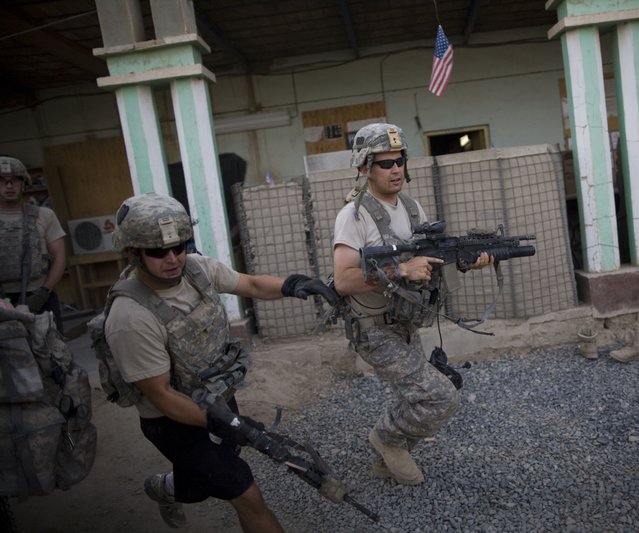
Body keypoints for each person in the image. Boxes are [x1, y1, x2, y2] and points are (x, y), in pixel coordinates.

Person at [104, 192, 337, 532]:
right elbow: (162, 396)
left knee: (202, 484)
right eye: (157, 251)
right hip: (173, 422)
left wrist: (294, 284)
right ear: (132, 252)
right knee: (246, 493)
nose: (172, 259)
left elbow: (251, 283)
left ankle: (163, 488)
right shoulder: (130, 317)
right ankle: (181, 482)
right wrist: (230, 424)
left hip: (218, 398)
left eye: (179, 246)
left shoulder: (197, 270)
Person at [332, 123, 492, 486]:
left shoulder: (411, 207)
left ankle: (381, 462)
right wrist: (402, 267)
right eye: (386, 163)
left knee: (413, 394)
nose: (396, 169)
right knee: (440, 396)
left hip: (406, 322)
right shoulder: (354, 216)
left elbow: (429, 260)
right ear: (365, 167)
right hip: (374, 329)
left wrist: (466, 261)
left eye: (400, 160)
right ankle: (386, 440)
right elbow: (342, 280)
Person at [0, 156, 67, 332]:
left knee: (54, 355)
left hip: (40, 296)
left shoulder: (44, 215)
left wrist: (44, 292)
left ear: (24, 183)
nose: (9, 185)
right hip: (2, 300)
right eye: (2, 180)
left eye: (14, 180)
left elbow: (60, 257)